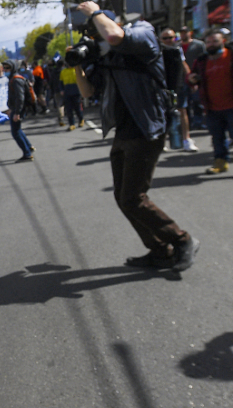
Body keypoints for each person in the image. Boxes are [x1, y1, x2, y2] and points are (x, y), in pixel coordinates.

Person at [74, 4, 199, 272]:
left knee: (133, 197)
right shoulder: (106, 55)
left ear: (111, 22)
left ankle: (183, 240)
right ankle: (159, 251)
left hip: (147, 127)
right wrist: (76, 65)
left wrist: (95, 11)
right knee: (123, 197)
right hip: (124, 132)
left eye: (97, 29)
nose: (96, 37)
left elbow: (115, 37)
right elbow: (87, 92)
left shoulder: (143, 33)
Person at [190, 29, 233, 173]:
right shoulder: (202, 60)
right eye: (208, 42)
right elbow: (192, 77)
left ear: (223, 41)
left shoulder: (230, 55)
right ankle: (220, 163)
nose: (211, 44)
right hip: (212, 107)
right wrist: (191, 80)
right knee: (217, 138)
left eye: (215, 41)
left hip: (231, 105)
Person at [160, 28, 198, 152]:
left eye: (170, 38)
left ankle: (186, 140)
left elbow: (184, 64)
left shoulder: (177, 49)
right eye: (165, 38)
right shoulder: (157, 50)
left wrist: (191, 79)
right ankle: (162, 141)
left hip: (178, 85)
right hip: (162, 86)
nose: (168, 40)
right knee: (162, 113)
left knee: (182, 111)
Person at [4, 60, 36, 161]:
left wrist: (17, 113)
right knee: (18, 130)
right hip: (16, 108)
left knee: (15, 132)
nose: (5, 70)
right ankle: (29, 147)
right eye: (4, 68)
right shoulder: (13, 79)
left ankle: (27, 153)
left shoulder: (16, 80)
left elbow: (20, 97)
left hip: (19, 109)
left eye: (8, 68)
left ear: (13, 68)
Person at [180, 26, 207, 130]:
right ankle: (189, 123)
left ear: (189, 33)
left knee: (197, 101)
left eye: (185, 32)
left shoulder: (199, 45)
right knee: (185, 103)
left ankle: (199, 122)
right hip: (182, 79)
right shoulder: (178, 46)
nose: (183, 35)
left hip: (196, 77)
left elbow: (204, 59)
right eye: (181, 33)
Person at [59, 64, 85, 130]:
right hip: (67, 92)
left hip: (76, 91)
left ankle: (81, 120)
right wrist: (61, 90)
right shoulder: (63, 71)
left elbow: (82, 79)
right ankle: (72, 124)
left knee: (77, 108)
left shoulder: (76, 70)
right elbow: (61, 82)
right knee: (69, 109)